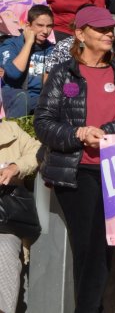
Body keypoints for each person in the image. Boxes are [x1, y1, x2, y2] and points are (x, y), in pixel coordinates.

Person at [34, 6, 115, 312]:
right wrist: (78, 134)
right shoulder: (63, 73)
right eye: (100, 29)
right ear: (80, 34)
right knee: (91, 246)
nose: (109, 34)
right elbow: (43, 123)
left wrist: (107, 131)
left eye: (111, 29)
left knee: (104, 248)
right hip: (77, 170)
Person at [0, 120, 42, 313]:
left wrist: (16, 167)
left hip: (5, 222)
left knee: (5, 251)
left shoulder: (10, 131)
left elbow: (39, 150)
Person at [0, 4, 54, 117]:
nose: (45, 31)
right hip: (14, 94)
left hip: (39, 98)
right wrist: (29, 42)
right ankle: (13, 132)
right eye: (40, 25)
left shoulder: (52, 49)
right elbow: (14, 74)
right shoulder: (11, 45)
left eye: (49, 26)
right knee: (22, 97)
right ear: (28, 26)